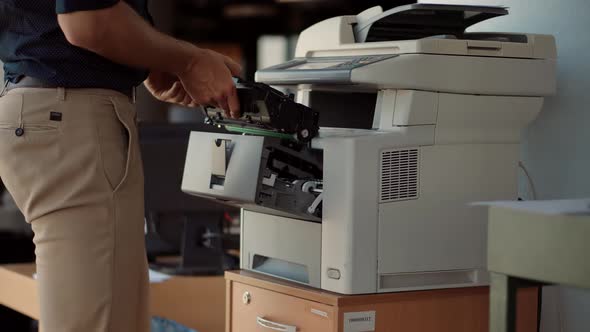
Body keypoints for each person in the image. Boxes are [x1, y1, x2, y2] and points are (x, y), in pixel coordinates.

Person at [0, 1, 241, 331]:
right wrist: (189, 61)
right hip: (71, 118)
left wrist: (146, 61)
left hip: (53, 111)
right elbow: (87, 19)